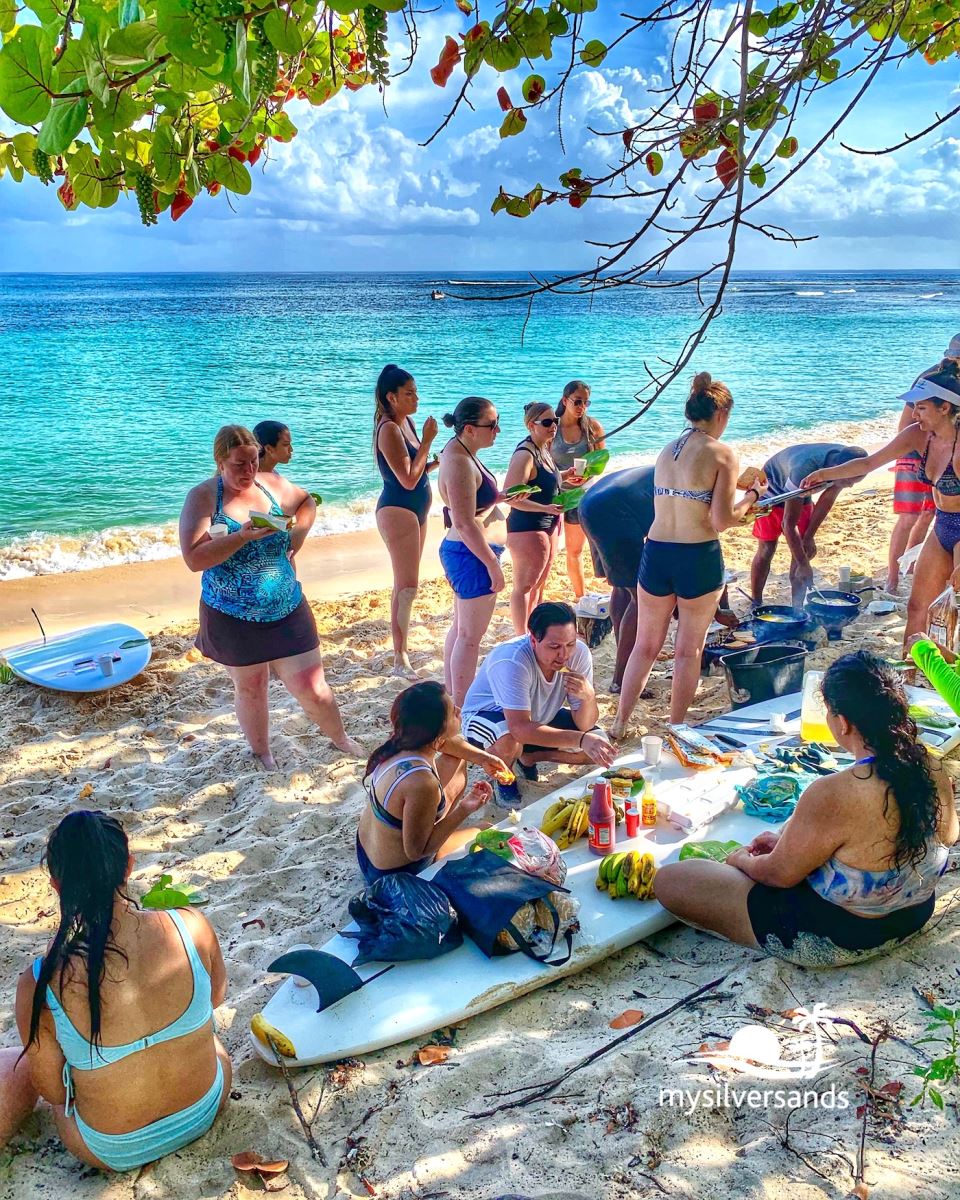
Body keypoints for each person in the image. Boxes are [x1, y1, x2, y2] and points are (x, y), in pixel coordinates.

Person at [654, 652, 958, 967]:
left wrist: (742, 860)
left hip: (838, 936)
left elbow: (777, 875)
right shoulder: (930, 766)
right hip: (913, 915)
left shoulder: (835, 792)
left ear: (842, 723)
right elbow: (948, 835)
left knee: (671, 880)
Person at [5, 811, 231, 1171]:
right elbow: (216, 998)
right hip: (203, 1109)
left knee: (14, 1062)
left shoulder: (42, 980)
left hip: (111, 1149)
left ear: (58, 886)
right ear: (128, 865)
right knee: (209, 1037)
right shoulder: (191, 926)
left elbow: (54, 1092)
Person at [180, 425, 361, 767]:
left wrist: (299, 538)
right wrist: (242, 537)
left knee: (314, 688)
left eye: (253, 461)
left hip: (286, 605)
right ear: (220, 462)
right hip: (232, 613)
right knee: (251, 686)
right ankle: (262, 753)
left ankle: (341, 739)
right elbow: (193, 559)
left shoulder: (271, 485)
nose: (248, 471)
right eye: (239, 465)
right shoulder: (203, 497)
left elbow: (307, 502)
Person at [611, 373, 762, 733]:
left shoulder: (668, 449)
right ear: (722, 414)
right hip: (697, 554)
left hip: (657, 551)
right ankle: (677, 727)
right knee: (688, 650)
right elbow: (722, 519)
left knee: (645, 647)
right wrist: (752, 498)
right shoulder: (723, 453)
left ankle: (619, 722)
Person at [802, 365, 960, 653]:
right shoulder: (918, 435)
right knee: (917, 607)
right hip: (942, 527)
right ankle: (909, 674)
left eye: (921, 408)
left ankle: (948, 677)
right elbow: (867, 463)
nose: (914, 415)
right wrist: (825, 474)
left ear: (944, 407)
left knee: (953, 611)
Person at [459, 601, 616, 806]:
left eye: (570, 644)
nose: (564, 655)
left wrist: (589, 698)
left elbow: (584, 726)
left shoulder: (579, 654)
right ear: (533, 640)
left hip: (537, 718)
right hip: (485, 715)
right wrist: (580, 740)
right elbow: (519, 728)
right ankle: (505, 781)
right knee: (509, 740)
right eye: (554, 647)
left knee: (600, 743)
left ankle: (532, 756)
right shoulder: (512, 661)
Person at [356, 681, 508, 884]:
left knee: (457, 756)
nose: (459, 710)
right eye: (453, 711)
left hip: (365, 852)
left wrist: (484, 758)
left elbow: (451, 743)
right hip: (393, 874)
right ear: (437, 729)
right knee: (485, 829)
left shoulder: (401, 742)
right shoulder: (422, 783)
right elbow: (416, 851)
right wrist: (465, 809)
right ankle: (444, 836)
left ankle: (437, 827)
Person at [437, 396, 505, 706]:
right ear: (469, 429)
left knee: (462, 630)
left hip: (468, 551)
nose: (497, 430)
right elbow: (464, 523)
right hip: (471, 554)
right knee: (470, 637)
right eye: (491, 425)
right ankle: (463, 705)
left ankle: (454, 695)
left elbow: (469, 504)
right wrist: (492, 564)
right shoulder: (459, 461)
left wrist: (500, 498)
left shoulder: (462, 452)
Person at [372, 365, 439, 679]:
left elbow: (419, 468)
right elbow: (408, 479)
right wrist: (426, 441)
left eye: (416, 391)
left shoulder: (407, 422)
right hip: (398, 509)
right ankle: (400, 658)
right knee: (407, 587)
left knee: (407, 584)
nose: (416, 398)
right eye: (409, 393)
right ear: (391, 397)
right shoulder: (388, 428)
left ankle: (402, 651)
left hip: (417, 509)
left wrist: (436, 457)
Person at [750, 443, 867, 606]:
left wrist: (809, 537)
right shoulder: (804, 469)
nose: (850, 485)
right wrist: (804, 565)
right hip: (772, 490)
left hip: (803, 492)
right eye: (849, 481)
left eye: (855, 481)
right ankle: (756, 601)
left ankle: (797, 609)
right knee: (767, 549)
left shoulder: (851, 464)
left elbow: (827, 499)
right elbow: (788, 525)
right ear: (836, 467)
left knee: (802, 549)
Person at [887, 335, 960, 592]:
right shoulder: (932, 380)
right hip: (916, 450)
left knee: (930, 514)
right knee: (909, 516)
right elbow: (907, 423)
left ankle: (913, 566)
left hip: (944, 454)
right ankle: (893, 577)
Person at [578, 466, 656, 693]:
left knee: (622, 588)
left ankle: (627, 655)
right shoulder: (692, 485)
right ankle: (621, 679)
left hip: (591, 504)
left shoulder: (668, 468)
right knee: (641, 598)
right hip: (613, 513)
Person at [503, 402, 566, 635]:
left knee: (539, 586)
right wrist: (546, 508)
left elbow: (544, 482)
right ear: (531, 425)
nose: (553, 426)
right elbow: (510, 496)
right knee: (524, 587)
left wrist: (566, 477)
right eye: (547, 422)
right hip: (527, 528)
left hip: (549, 524)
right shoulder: (525, 454)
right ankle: (521, 636)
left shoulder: (543, 448)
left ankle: (534, 633)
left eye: (555, 421)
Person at [553, 381, 606, 600]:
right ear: (565, 400)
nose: (581, 406)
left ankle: (580, 596)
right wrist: (563, 476)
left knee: (578, 549)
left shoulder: (592, 427)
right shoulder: (552, 427)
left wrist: (586, 475)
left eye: (586, 402)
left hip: (583, 494)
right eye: (577, 401)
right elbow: (541, 462)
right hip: (556, 494)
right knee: (551, 551)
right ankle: (580, 594)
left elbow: (601, 459)